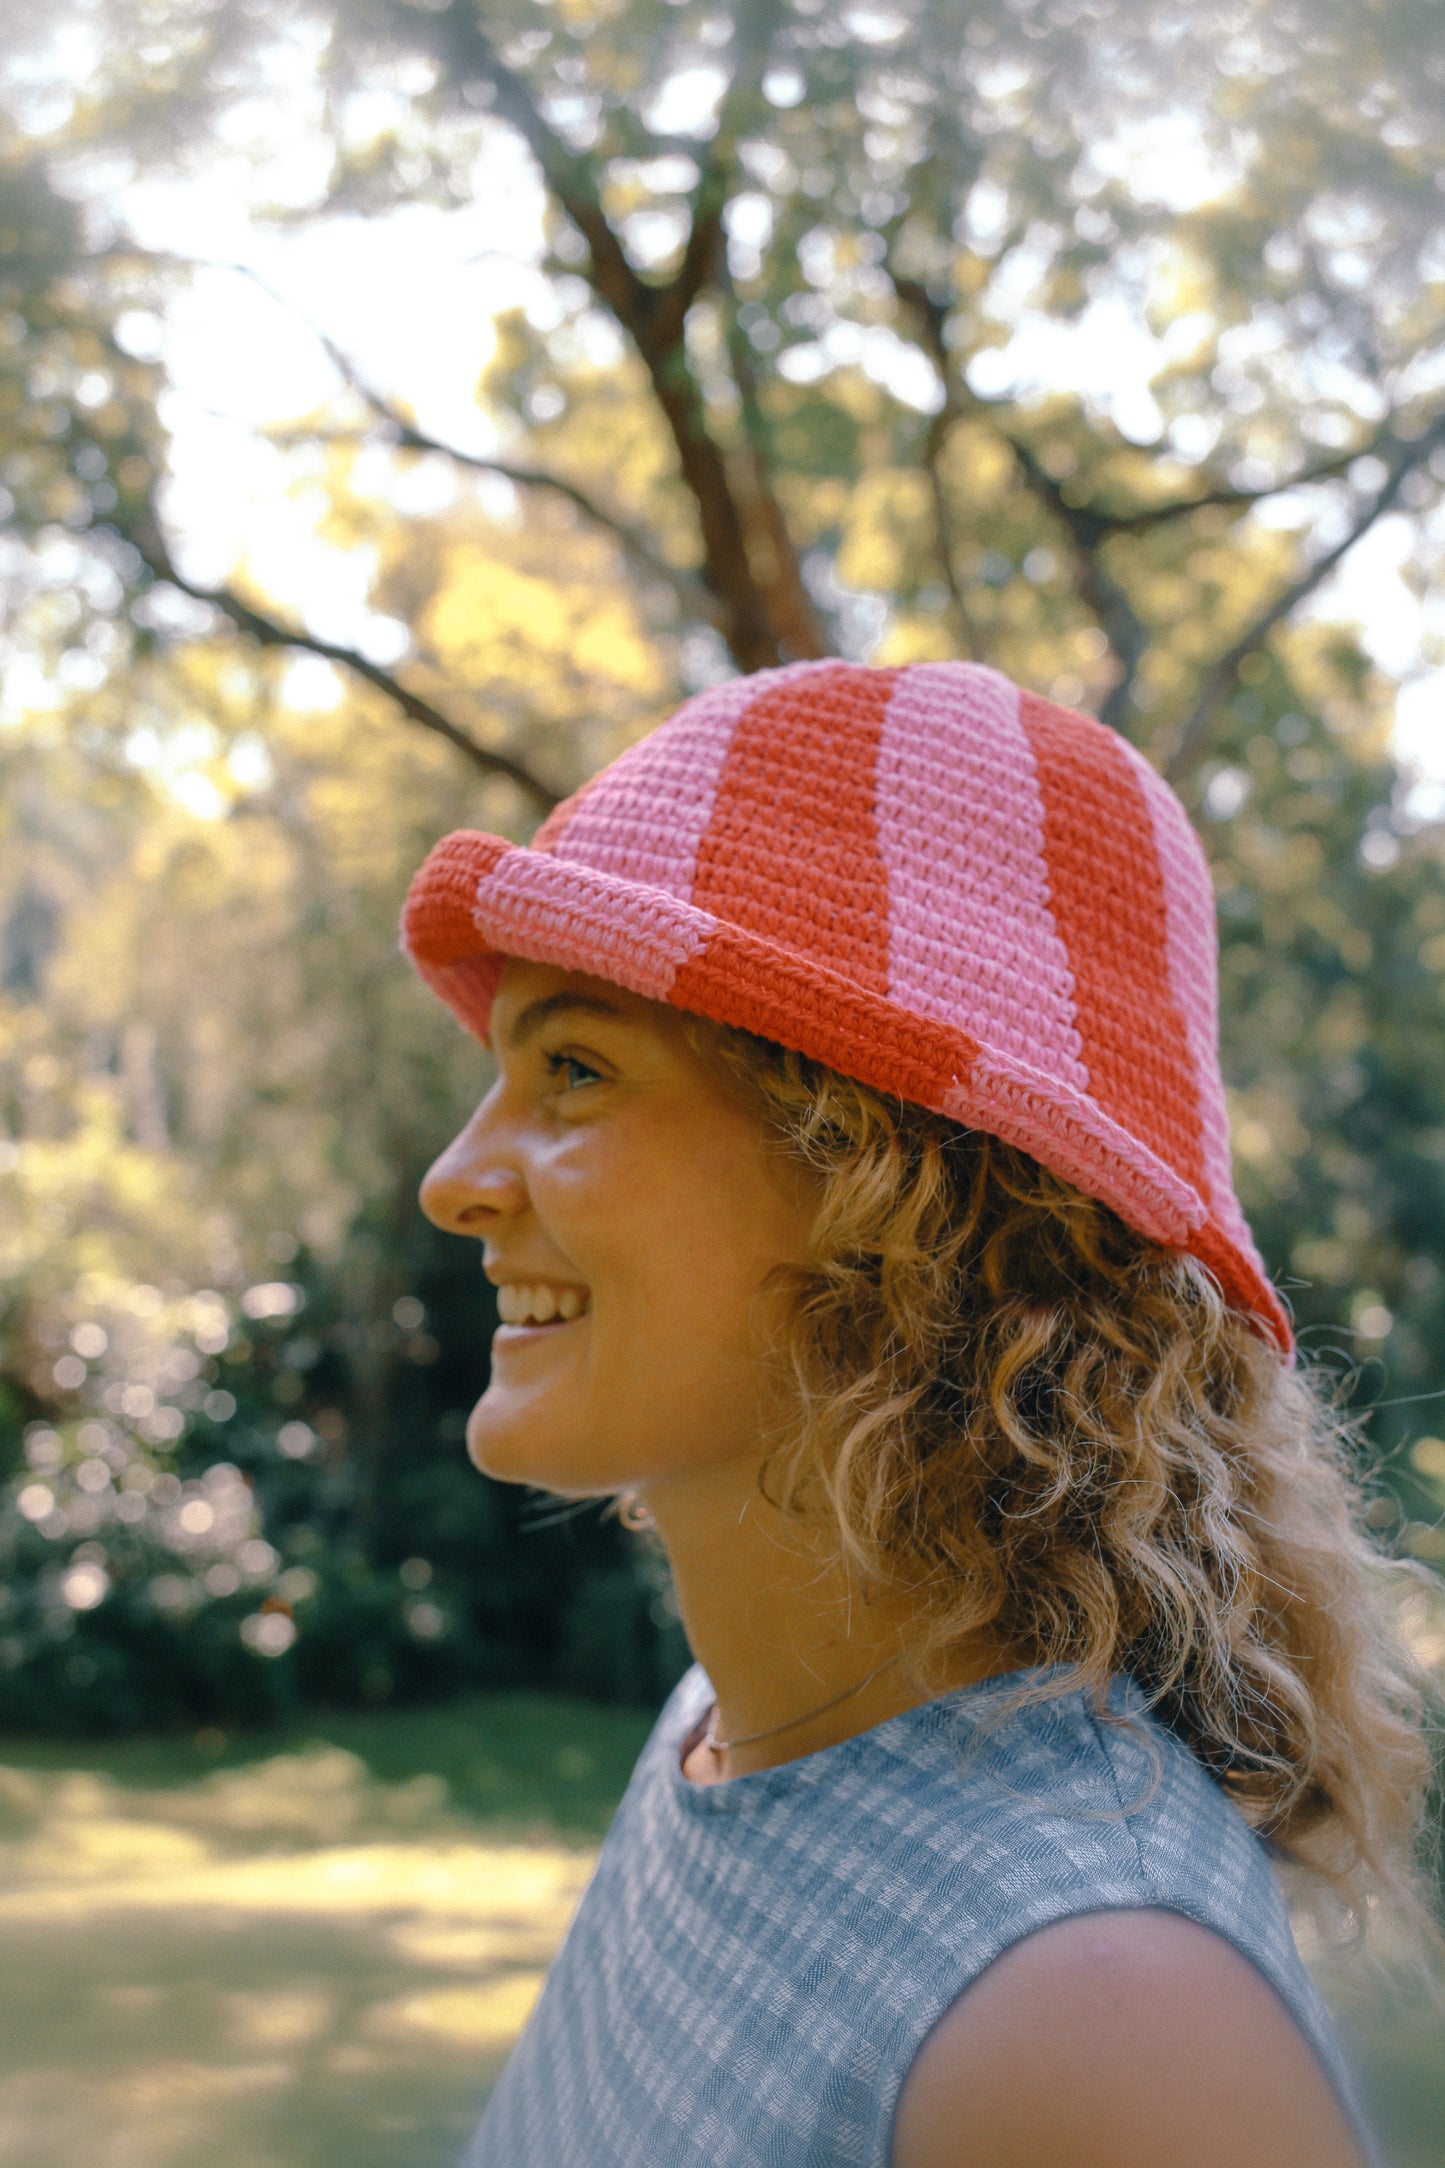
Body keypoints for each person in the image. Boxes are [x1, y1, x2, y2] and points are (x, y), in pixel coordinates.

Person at [403, 660, 1430, 2168]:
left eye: (573, 1067)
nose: (452, 1178)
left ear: (896, 1192)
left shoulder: (1098, 2020)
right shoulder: (717, 1741)